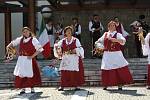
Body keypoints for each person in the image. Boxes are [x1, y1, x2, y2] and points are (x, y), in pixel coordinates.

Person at [95, 21, 133, 90]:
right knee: (106, 68)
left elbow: (123, 41)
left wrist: (115, 40)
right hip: (107, 54)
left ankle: (120, 84)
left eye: (113, 26)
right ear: (108, 27)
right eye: (111, 25)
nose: (112, 27)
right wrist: (98, 45)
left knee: (118, 68)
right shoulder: (105, 34)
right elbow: (99, 41)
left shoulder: (118, 34)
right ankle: (106, 84)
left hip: (116, 54)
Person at [6, 27, 44, 94]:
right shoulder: (20, 39)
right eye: (24, 32)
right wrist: (8, 46)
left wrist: (32, 56)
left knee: (31, 74)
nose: (25, 33)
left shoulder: (33, 40)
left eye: (26, 31)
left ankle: (32, 88)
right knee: (22, 74)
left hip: (29, 59)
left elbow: (39, 49)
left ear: (29, 32)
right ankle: (23, 88)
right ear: (22, 33)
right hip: (21, 60)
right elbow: (13, 43)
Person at [54, 26, 85, 91]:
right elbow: (57, 46)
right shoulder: (62, 40)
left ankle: (75, 86)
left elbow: (80, 48)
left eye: (70, 31)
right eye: (67, 31)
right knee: (64, 72)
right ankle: (62, 86)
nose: (68, 32)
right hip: (66, 58)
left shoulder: (75, 40)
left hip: (74, 58)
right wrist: (58, 50)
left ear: (72, 32)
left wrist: (75, 50)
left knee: (73, 72)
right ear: (65, 33)